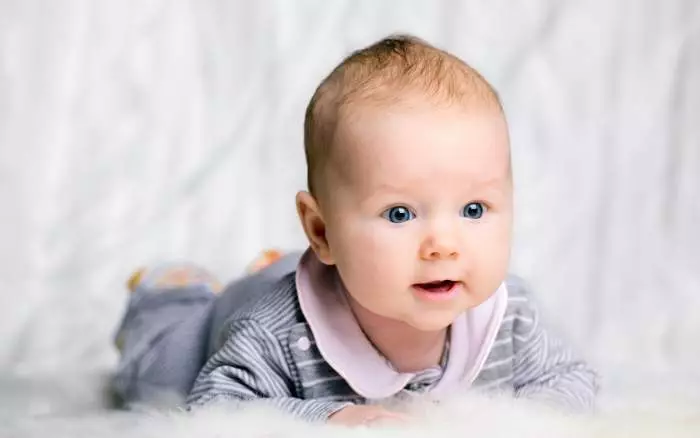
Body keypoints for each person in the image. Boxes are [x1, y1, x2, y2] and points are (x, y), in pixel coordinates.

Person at [111, 34, 599, 426]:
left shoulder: (509, 317)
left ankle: (274, 263)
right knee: (160, 376)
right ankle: (170, 293)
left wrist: (521, 422)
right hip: (229, 314)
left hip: (332, 270)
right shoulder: (275, 334)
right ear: (320, 231)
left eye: (473, 209)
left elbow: (571, 380)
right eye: (400, 214)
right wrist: (326, 418)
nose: (444, 246)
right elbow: (217, 404)